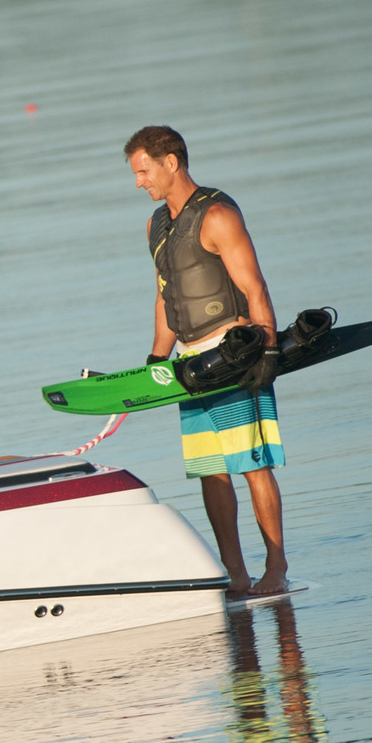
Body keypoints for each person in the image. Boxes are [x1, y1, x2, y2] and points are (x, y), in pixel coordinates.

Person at [126, 125, 289, 599]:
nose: (139, 182)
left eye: (143, 171)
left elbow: (255, 286)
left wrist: (269, 351)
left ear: (170, 163)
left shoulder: (217, 215)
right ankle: (235, 575)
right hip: (189, 362)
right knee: (210, 469)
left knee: (252, 464)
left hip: (234, 352)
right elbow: (165, 297)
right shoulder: (157, 224)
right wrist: (156, 360)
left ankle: (275, 568)